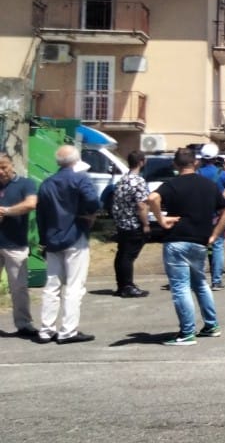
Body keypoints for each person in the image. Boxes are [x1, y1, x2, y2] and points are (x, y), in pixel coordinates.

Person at [146, 147, 225, 345]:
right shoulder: (209, 186)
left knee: (180, 287)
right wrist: (214, 235)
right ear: (196, 163)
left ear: (175, 165)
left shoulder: (172, 184)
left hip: (177, 240)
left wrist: (161, 220)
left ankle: (187, 332)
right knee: (200, 284)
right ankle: (211, 325)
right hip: (200, 241)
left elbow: (152, 199)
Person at [35, 145, 101, 344]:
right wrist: (87, 213)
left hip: (52, 237)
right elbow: (94, 201)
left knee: (52, 285)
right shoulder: (80, 179)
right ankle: (68, 330)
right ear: (75, 160)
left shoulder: (46, 183)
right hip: (75, 235)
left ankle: (46, 330)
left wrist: (43, 240)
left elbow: (40, 215)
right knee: (74, 285)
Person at [0, 153, 39, 337]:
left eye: (4, 167)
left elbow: (31, 204)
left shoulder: (25, 184)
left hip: (15, 244)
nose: (1, 171)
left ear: (12, 165)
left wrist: (6, 211)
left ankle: (23, 323)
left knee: (19, 287)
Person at [110, 150, 151, 298]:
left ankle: (122, 284)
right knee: (128, 256)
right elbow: (141, 205)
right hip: (133, 224)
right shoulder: (138, 181)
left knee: (122, 254)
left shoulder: (122, 180)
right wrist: (145, 224)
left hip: (122, 223)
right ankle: (127, 286)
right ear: (141, 162)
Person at [196, 144, 225, 290]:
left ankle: (200, 280)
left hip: (200, 216)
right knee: (217, 247)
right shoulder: (222, 174)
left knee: (202, 247)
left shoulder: (197, 173)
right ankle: (216, 281)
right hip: (217, 217)